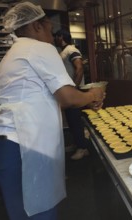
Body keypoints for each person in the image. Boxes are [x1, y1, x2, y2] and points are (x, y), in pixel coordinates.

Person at [0, 2, 105, 220]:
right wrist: (93, 94)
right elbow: (67, 97)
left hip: (2, 145)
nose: (53, 38)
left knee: (20, 213)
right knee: (38, 210)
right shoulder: (39, 48)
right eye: (50, 31)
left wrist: (84, 101)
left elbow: (43, 100)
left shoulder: (13, 54)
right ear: (35, 27)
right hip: (23, 146)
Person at [54, 29, 90, 160]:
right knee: (71, 119)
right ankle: (79, 144)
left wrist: (74, 88)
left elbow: (79, 68)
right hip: (68, 90)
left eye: (56, 37)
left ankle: (82, 148)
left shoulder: (71, 50)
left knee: (75, 120)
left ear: (61, 37)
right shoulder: (63, 51)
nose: (54, 39)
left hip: (73, 90)